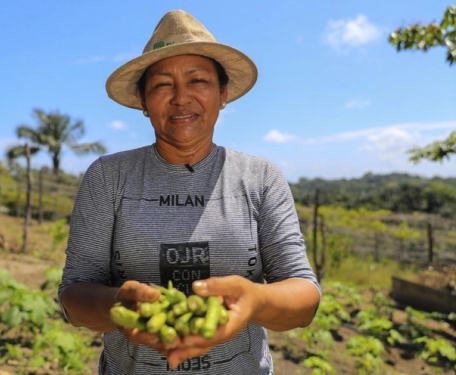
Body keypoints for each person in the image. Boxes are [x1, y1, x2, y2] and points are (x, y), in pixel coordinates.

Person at [58, 9, 321, 375]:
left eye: (198, 80)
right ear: (144, 104)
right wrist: (118, 304)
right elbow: (73, 297)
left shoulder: (260, 177)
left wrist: (254, 299)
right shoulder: (108, 177)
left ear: (223, 94)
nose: (181, 97)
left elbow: (304, 298)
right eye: (163, 84)